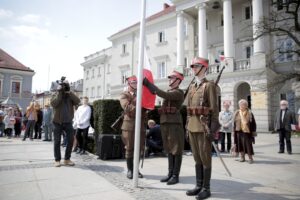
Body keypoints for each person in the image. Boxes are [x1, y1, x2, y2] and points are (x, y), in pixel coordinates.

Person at [185, 57, 220, 199]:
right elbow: (188, 110)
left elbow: (214, 109)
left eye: (196, 66)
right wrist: (187, 127)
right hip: (192, 127)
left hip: (204, 127)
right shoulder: (192, 86)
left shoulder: (209, 85)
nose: (193, 68)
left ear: (204, 68)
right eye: (192, 66)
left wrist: (213, 129)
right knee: (197, 158)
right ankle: (198, 185)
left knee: (205, 158)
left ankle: (206, 188)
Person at [143, 70, 185, 185]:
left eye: (172, 78)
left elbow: (164, 95)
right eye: (170, 78)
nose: (170, 80)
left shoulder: (179, 92)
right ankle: (170, 173)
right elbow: (163, 94)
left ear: (178, 81)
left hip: (174, 125)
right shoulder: (170, 91)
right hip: (166, 123)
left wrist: (148, 84)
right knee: (169, 149)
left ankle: (175, 175)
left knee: (176, 150)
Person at [120, 75, 146, 179]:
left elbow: (146, 108)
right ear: (129, 84)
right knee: (129, 148)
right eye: (133, 83)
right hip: (129, 125)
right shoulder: (124, 95)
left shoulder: (142, 94)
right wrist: (139, 102)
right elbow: (127, 107)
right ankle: (130, 170)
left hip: (140, 124)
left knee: (139, 149)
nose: (135, 85)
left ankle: (136, 170)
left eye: (137, 83)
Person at [50, 78, 80, 167]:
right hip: (57, 122)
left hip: (68, 122)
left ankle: (67, 159)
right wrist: (59, 92)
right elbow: (54, 103)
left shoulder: (70, 95)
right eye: (63, 86)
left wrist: (69, 92)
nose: (64, 88)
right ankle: (57, 160)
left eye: (65, 86)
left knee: (71, 139)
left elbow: (78, 101)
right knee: (57, 141)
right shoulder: (55, 94)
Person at [233, 99, 256, 163]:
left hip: (247, 132)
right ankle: (242, 157)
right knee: (239, 145)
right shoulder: (237, 113)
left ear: (246, 105)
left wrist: (253, 132)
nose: (241, 106)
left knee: (248, 146)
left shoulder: (250, 113)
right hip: (238, 131)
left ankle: (250, 158)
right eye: (240, 104)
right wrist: (233, 131)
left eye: (243, 104)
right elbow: (234, 123)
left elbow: (253, 123)